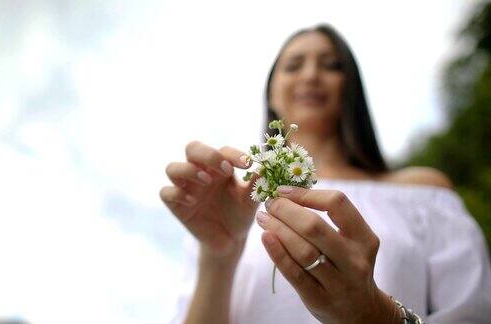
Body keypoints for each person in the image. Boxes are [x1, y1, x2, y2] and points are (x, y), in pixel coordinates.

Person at [160, 24, 491, 323]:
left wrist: (377, 316)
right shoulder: (229, 205)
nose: (311, 75)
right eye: (293, 65)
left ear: (351, 88)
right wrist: (219, 254)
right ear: (271, 95)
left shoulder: (422, 193)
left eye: (331, 65)